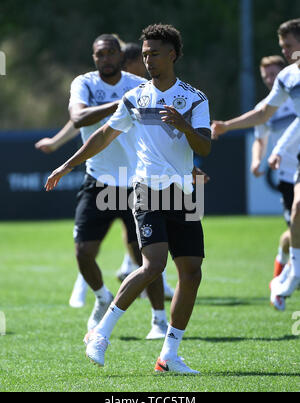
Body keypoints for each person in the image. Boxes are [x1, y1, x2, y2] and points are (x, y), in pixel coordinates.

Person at [45, 23, 211, 374]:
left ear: (173, 55)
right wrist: (66, 164)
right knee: (153, 265)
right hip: (147, 189)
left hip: (183, 193)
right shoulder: (135, 97)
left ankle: (169, 356)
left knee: (192, 273)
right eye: (145, 53)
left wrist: (183, 126)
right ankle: (100, 334)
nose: (148, 59)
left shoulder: (195, 98)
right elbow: (103, 135)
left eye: (155, 53)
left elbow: (205, 147)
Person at [41, 33, 170, 339]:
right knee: (84, 252)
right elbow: (78, 116)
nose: (106, 59)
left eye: (111, 53)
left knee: (146, 258)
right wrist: (121, 104)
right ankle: (101, 297)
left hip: (136, 182)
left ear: (119, 55)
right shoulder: (84, 83)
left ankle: (159, 319)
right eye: (100, 54)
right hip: (98, 180)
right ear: (93, 57)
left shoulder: (136, 83)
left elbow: (155, 127)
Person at [212, 19, 300, 311]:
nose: (285, 52)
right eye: (282, 47)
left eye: (288, 46)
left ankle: (286, 276)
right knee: (297, 212)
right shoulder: (288, 78)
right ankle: (292, 273)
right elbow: (263, 113)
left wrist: (280, 148)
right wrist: (227, 126)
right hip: (291, 165)